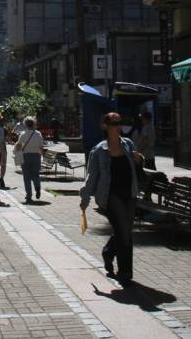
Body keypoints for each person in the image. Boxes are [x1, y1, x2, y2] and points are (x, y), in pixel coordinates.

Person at [80, 112, 142, 286]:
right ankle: (125, 272)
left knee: (125, 232)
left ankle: (108, 252)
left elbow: (137, 164)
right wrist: (85, 198)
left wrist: (139, 159)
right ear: (105, 126)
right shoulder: (99, 150)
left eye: (119, 123)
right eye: (114, 123)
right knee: (124, 232)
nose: (117, 127)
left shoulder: (128, 144)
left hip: (129, 193)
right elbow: (91, 176)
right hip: (110, 195)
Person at [14, 116, 44, 203]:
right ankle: (37, 187)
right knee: (36, 174)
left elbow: (18, 146)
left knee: (26, 177)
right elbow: (41, 147)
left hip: (26, 156)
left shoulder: (23, 134)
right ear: (34, 124)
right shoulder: (38, 134)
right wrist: (42, 155)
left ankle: (28, 195)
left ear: (25, 124)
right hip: (36, 156)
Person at [0, 114, 9, 189]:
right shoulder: (4, 129)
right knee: (3, 165)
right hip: (3, 149)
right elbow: (7, 139)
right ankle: (1, 178)